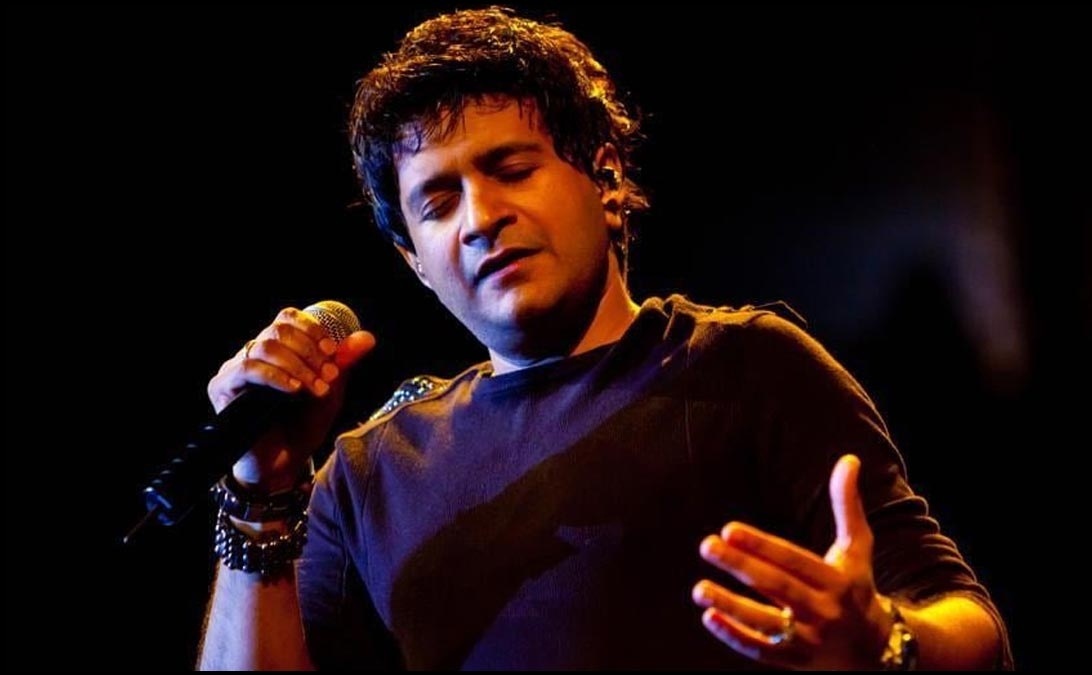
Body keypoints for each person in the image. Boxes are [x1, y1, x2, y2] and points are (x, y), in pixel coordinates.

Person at [197, 7, 1010, 670]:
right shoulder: (370, 470)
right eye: (438, 203)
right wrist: (261, 494)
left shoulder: (748, 369)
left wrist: (886, 643)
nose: (480, 218)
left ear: (607, 178)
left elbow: (974, 630)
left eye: (511, 169)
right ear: (415, 263)